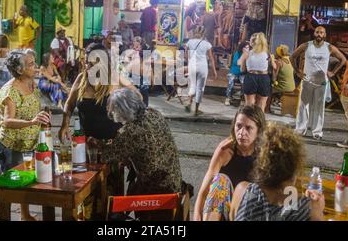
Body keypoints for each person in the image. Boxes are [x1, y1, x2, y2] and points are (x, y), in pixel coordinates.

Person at [103, 88, 182, 216]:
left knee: (113, 209)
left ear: (122, 111)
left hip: (157, 192)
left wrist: (97, 144)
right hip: (174, 181)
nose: (112, 115)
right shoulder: (153, 113)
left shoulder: (130, 131)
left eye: (113, 111)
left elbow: (107, 156)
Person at [0, 49, 50, 221]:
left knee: (24, 184)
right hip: (11, 146)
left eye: (35, 62)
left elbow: (33, 107)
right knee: (11, 188)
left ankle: (25, 215)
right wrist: (33, 122)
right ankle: (5, 216)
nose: (36, 67)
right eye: (31, 64)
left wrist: (43, 115)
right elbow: (7, 121)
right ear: (19, 70)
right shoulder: (10, 91)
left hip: (29, 144)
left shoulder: (31, 84)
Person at [230, 123, 325, 221]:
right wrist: (317, 209)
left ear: (261, 164)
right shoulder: (308, 209)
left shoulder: (242, 191)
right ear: (295, 169)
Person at [193, 105, 266, 221]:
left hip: (250, 212)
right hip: (225, 211)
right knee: (220, 180)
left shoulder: (264, 154)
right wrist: (197, 214)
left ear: (258, 131)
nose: (242, 132)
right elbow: (205, 189)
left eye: (248, 128)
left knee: (248, 188)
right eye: (239, 126)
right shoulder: (225, 149)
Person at [291, 26, 346, 139]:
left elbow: (343, 59)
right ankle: (301, 129)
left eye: (321, 32)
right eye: (317, 32)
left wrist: (333, 72)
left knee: (319, 107)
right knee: (303, 106)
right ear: (314, 33)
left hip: (321, 83)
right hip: (307, 81)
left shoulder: (329, 47)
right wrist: (297, 72)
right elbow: (292, 57)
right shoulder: (306, 45)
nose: (319, 34)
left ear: (324, 35)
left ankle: (317, 131)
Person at [238, 32, 276, 112]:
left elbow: (241, 68)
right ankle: (259, 124)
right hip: (264, 78)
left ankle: (249, 123)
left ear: (252, 42)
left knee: (249, 106)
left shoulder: (248, 53)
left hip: (251, 77)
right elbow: (274, 67)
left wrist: (244, 57)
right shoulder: (268, 53)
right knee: (261, 106)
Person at [185, 26, 218, 116]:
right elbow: (211, 58)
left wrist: (189, 63)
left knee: (192, 85)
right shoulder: (207, 44)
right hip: (203, 67)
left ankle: (189, 103)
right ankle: (196, 110)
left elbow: (186, 55)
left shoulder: (189, 42)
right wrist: (214, 70)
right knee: (200, 88)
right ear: (203, 34)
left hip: (192, 66)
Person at [266, 44, 296, 113]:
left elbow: (274, 79)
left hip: (284, 87)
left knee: (269, 90)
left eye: (276, 52)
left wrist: (273, 63)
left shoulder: (279, 62)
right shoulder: (290, 59)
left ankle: (267, 109)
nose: (275, 53)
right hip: (292, 86)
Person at [225, 41, 249, 106]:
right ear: (242, 48)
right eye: (246, 48)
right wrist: (243, 56)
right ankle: (228, 97)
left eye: (248, 48)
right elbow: (237, 63)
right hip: (234, 72)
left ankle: (242, 99)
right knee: (231, 82)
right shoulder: (237, 53)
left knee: (244, 83)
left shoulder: (249, 54)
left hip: (243, 73)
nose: (247, 49)